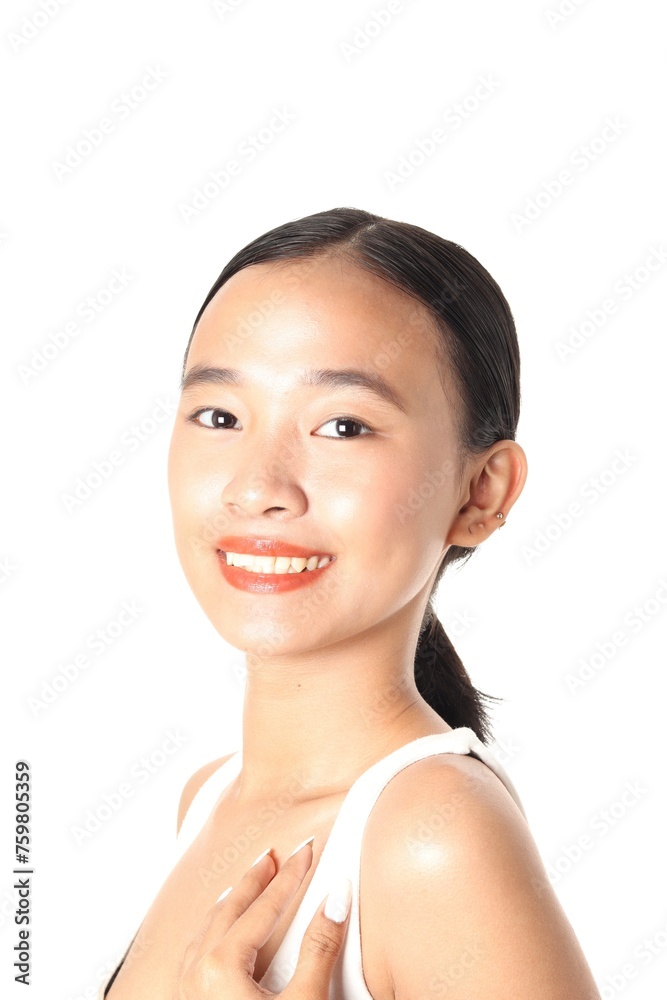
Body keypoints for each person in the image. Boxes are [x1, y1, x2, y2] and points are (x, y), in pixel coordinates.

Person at [101, 207, 602, 999]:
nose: (257, 487)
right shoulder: (207, 799)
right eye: (220, 416)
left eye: (342, 426)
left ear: (481, 491)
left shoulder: (435, 835)